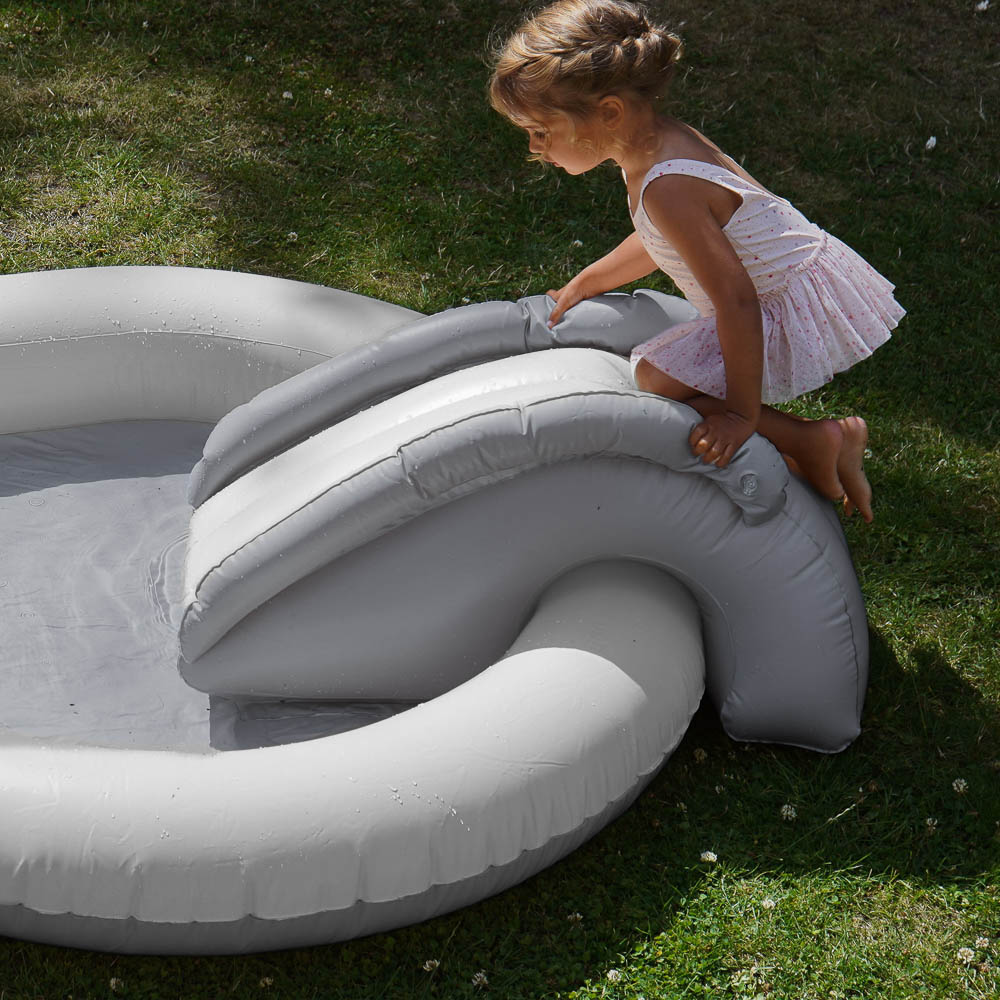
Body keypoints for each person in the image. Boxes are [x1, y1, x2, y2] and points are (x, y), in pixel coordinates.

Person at [488, 0, 904, 522]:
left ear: (609, 113)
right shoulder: (652, 147)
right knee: (661, 379)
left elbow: (737, 300)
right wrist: (586, 282)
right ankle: (818, 441)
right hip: (777, 286)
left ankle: (815, 439)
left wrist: (739, 416)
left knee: (656, 381)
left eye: (541, 131)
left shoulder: (669, 185)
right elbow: (661, 241)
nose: (534, 148)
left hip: (777, 300)